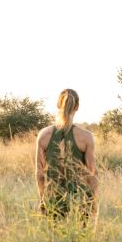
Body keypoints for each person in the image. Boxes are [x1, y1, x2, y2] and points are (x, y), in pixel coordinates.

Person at [35, 89, 98, 221]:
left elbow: (40, 174)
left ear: (58, 105)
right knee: (82, 238)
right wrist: (93, 202)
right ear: (77, 107)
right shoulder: (86, 137)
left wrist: (42, 200)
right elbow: (91, 175)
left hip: (53, 199)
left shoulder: (44, 135)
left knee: (54, 239)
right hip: (80, 201)